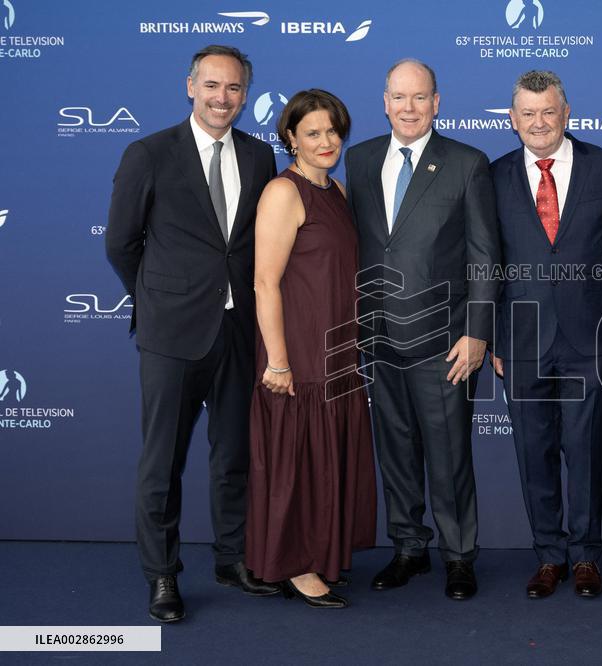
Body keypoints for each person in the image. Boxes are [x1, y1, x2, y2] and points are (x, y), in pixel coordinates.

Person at [106, 45, 279, 623]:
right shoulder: (149, 153)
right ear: (190, 87)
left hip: (238, 331)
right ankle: (162, 575)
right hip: (172, 335)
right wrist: (161, 300)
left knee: (234, 455)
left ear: (245, 95)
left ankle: (233, 559)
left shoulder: (259, 157)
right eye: (211, 86)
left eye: (232, 88)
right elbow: (121, 244)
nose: (221, 98)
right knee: (163, 463)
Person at [344, 59, 501, 600]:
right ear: (384, 101)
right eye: (399, 97)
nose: (408, 108)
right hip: (378, 335)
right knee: (396, 447)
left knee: (450, 451)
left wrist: (478, 331)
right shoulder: (359, 160)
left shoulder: (466, 162)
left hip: (445, 341)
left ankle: (459, 556)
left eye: (420, 97)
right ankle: (409, 546)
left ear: (437, 102)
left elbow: (484, 254)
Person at [245, 89, 377, 609]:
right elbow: (263, 282)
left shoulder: (337, 191)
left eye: (333, 131)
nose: (327, 141)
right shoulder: (284, 191)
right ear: (290, 139)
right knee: (296, 460)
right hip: (297, 353)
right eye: (313, 133)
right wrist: (277, 360)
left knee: (326, 458)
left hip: (339, 349)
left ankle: (320, 552)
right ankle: (294, 565)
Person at [490, 70, 602, 599]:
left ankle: (587, 555)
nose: (538, 122)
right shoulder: (492, 176)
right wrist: (492, 335)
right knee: (534, 451)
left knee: (586, 450)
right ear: (513, 118)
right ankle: (549, 556)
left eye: (549, 111)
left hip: (588, 334)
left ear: (566, 112)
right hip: (520, 337)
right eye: (527, 113)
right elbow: (484, 260)